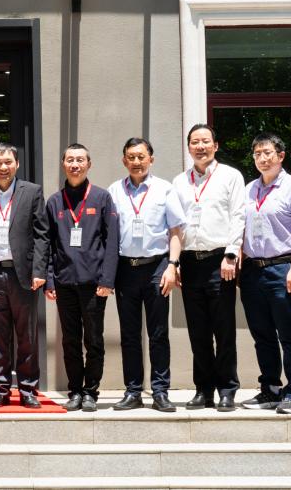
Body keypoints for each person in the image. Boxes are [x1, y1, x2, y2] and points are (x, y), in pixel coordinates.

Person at [238, 133, 291, 414]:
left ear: (280, 156)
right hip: (252, 271)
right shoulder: (249, 190)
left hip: (282, 268)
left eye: (267, 153)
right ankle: (270, 389)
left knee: (289, 333)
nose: (262, 158)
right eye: (257, 154)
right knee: (262, 334)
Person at [107, 138, 184, 413]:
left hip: (156, 268)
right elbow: (108, 235)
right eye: (131, 157)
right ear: (124, 160)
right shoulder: (114, 191)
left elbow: (176, 231)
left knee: (158, 333)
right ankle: (133, 391)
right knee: (129, 335)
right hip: (125, 270)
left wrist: (172, 266)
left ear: (151, 159)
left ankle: (160, 391)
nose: (136, 162)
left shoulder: (164, 189)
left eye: (141, 156)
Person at [171, 124, 245, 412]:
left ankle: (227, 389)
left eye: (205, 141)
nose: (200, 146)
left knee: (223, 329)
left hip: (220, 261)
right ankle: (203, 389)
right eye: (194, 142)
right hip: (190, 262)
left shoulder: (230, 176)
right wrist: (175, 261)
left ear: (216, 145)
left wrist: (231, 254)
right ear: (188, 147)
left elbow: (238, 215)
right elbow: (175, 226)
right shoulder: (180, 182)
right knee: (198, 331)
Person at [0, 142, 49, 409]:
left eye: (8, 162)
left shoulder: (32, 191)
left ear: (17, 164)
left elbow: (42, 234)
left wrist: (39, 270)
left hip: (23, 275)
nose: (3, 167)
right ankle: (0, 389)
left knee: (27, 335)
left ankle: (27, 389)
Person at [44, 144, 117, 412]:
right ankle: (74, 390)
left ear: (89, 164)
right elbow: (47, 245)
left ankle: (90, 392)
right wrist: (49, 280)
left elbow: (112, 241)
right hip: (64, 283)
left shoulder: (101, 198)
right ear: (63, 164)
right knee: (70, 341)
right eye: (70, 160)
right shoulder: (54, 201)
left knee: (94, 340)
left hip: (94, 284)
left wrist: (107, 280)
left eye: (80, 160)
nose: (75, 165)